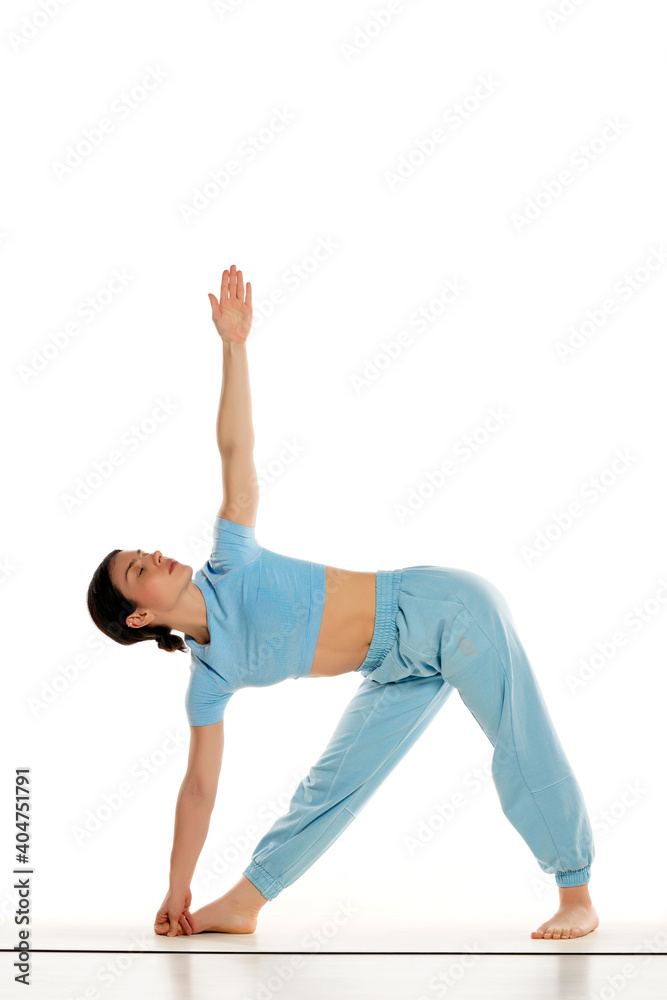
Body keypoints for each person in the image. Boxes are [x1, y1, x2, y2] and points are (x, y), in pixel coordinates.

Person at [86, 265, 599, 942]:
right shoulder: (208, 680)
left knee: (515, 736)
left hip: (443, 611)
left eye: (145, 551)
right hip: (393, 663)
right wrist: (177, 889)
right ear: (140, 617)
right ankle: (242, 902)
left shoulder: (229, 560)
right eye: (137, 570)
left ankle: (575, 893)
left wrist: (233, 346)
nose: (155, 555)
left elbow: (236, 448)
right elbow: (199, 791)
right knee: (331, 786)